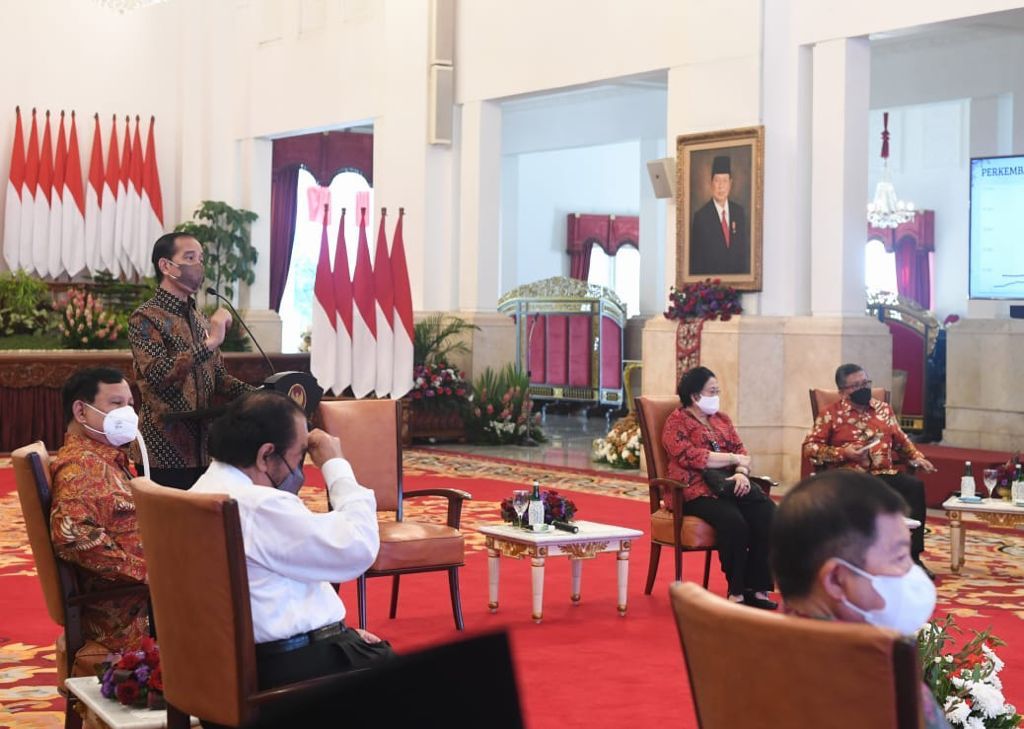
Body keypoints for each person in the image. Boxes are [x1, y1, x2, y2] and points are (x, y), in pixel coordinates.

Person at [190, 390, 393, 691]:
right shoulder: (257, 505)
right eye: (298, 457)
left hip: (221, 662)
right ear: (265, 455)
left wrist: (339, 635)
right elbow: (357, 549)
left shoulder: (199, 490)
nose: (299, 472)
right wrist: (336, 466)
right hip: (283, 666)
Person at [770, 470, 949, 729]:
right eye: (900, 557)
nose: (911, 573)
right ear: (836, 580)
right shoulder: (883, 685)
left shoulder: (744, 655)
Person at [128, 232, 256, 490]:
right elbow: (158, 374)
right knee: (171, 517)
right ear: (166, 266)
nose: (198, 265)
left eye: (201, 258)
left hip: (205, 448)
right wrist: (210, 342)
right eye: (189, 258)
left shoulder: (199, 319)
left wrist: (261, 395)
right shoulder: (145, 317)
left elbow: (218, 378)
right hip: (163, 449)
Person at [803, 363, 937, 579]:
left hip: (883, 475)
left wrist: (917, 457)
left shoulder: (884, 410)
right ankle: (855, 558)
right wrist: (844, 453)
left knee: (914, 486)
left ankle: (912, 557)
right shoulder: (830, 414)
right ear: (843, 391)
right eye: (856, 386)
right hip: (848, 478)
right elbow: (810, 448)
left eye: (866, 383)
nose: (863, 388)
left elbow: (901, 440)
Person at [49, 367, 148, 653]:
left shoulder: (104, 458)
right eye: (116, 404)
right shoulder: (81, 466)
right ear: (81, 411)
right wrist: (146, 573)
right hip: (130, 611)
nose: (128, 413)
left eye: (130, 404)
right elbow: (71, 536)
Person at [661, 366, 777, 609]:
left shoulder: (722, 419)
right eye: (712, 391)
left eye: (717, 391)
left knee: (767, 513)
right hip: (694, 489)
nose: (716, 396)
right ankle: (737, 590)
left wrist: (741, 473)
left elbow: (742, 451)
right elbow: (691, 456)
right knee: (733, 521)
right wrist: (733, 459)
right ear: (695, 396)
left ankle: (757, 587)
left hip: (730, 484)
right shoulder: (676, 422)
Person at [689, 154, 750, 275]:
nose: (721, 186)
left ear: (730, 183)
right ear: (711, 183)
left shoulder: (739, 213)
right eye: (717, 180)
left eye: (725, 181)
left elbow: (744, 255)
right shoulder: (701, 217)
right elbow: (696, 263)